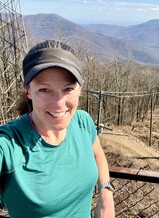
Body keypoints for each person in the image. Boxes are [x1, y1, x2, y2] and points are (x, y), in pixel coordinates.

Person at [0, 40, 115, 218]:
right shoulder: (8, 144)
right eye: (45, 90)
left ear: (80, 90)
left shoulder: (82, 122)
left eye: (68, 89)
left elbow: (97, 154)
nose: (59, 103)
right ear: (28, 90)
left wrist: (106, 192)